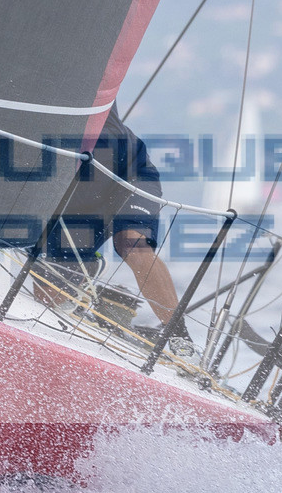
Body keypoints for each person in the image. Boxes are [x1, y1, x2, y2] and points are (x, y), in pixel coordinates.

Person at [48, 105, 189, 341]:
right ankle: (88, 271)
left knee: (132, 245)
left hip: (128, 170)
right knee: (47, 297)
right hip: (75, 192)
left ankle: (179, 338)